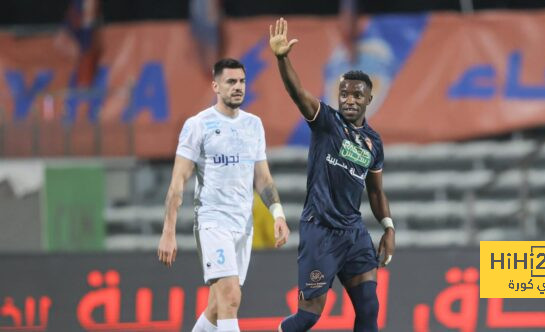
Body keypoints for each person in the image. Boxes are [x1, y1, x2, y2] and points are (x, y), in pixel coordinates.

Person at [269, 18, 395, 332]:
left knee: (369, 308)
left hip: (353, 233)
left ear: (369, 99)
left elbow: (376, 192)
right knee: (308, 317)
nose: (349, 99)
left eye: (356, 95)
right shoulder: (326, 121)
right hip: (320, 231)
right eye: (344, 94)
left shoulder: (373, 142)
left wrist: (388, 227)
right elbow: (297, 92)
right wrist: (283, 59)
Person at [157, 58, 290, 332]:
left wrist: (277, 214)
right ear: (215, 86)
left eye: (241, 81)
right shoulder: (198, 125)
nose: (238, 87)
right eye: (231, 82)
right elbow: (178, 182)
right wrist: (168, 231)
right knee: (230, 297)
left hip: (243, 224)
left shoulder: (253, 125)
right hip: (212, 222)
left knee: (217, 308)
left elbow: (263, 178)